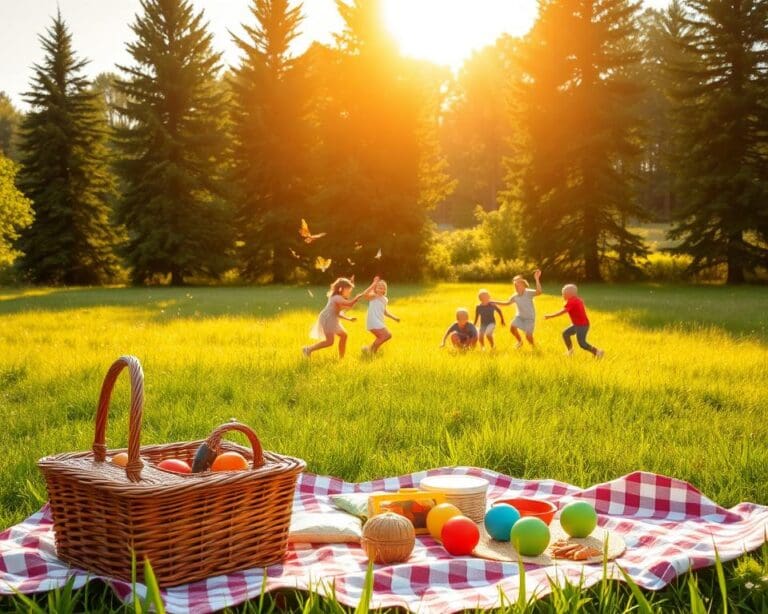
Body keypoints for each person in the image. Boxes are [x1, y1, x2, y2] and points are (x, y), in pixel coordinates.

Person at [303, 277, 378, 359]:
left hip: (332, 318)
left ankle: (341, 358)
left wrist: (348, 319)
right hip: (327, 319)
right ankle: (308, 349)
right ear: (341, 289)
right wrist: (356, 298)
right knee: (329, 342)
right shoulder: (336, 298)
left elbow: (338, 312)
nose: (349, 292)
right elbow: (349, 304)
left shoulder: (340, 298)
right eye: (348, 290)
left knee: (344, 336)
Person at [544, 284, 604, 358]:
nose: (562, 296)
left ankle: (598, 352)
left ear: (569, 294)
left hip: (582, 325)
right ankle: (570, 351)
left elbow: (563, 311)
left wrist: (550, 316)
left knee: (582, 343)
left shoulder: (572, 301)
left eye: (563, 294)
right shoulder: (577, 299)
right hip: (577, 324)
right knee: (565, 333)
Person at [493, 269, 542, 348]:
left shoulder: (528, 292)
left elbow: (539, 292)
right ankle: (520, 342)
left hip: (529, 318)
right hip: (519, 317)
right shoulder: (515, 296)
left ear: (523, 285)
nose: (516, 286)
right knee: (512, 328)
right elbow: (507, 303)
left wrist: (537, 279)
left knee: (528, 336)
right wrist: (494, 302)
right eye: (515, 285)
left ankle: (534, 347)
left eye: (518, 284)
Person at [363, 279, 400, 354]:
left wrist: (394, 318)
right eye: (379, 286)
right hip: (373, 320)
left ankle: (370, 352)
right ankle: (369, 349)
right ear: (375, 288)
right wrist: (373, 284)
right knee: (387, 335)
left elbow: (385, 312)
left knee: (382, 337)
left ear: (385, 290)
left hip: (379, 321)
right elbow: (365, 295)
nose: (381, 288)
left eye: (383, 287)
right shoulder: (373, 296)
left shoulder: (385, 299)